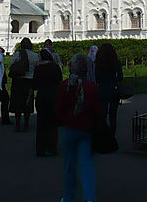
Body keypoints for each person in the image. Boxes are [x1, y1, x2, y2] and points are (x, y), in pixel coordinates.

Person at [56, 54, 102, 202]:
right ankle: (90, 198)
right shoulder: (92, 87)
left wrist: (64, 121)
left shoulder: (65, 85)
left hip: (69, 129)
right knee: (87, 164)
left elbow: (58, 109)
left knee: (69, 166)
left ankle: (69, 197)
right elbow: (97, 110)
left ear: (71, 69)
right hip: (86, 130)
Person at [33, 48, 63, 155]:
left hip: (41, 97)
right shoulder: (55, 67)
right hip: (54, 96)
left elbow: (34, 85)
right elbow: (60, 82)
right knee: (53, 123)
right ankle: (52, 147)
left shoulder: (38, 68)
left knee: (41, 122)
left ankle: (40, 148)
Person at [94, 42, 124, 137]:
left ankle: (103, 135)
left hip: (102, 90)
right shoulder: (116, 62)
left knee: (102, 114)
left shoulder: (98, 63)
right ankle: (112, 135)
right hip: (113, 90)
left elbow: (97, 78)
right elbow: (120, 77)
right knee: (113, 115)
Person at [10, 38, 39, 132]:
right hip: (29, 81)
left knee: (18, 102)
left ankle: (17, 124)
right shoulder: (35, 56)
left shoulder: (18, 54)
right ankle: (26, 123)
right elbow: (37, 68)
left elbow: (11, 65)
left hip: (18, 81)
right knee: (28, 102)